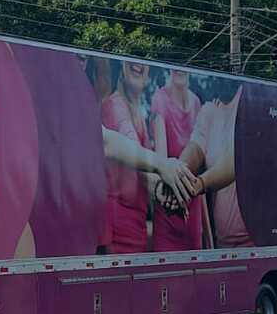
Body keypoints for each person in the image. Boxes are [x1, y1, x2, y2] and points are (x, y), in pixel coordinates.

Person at [99, 61, 199, 253]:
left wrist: (160, 189)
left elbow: (140, 171)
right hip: (118, 237)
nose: (138, 63)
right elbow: (127, 144)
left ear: (148, 75)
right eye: (130, 58)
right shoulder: (115, 105)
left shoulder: (138, 113)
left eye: (144, 60)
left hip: (136, 232)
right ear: (120, 67)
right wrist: (164, 166)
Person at [177, 85, 253, 248]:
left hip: (255, 242)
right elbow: (196, 148)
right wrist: (178, 175)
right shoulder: (210, 111)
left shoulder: (250, 102)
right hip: (223, 243)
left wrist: (198, 185)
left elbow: (239, 157)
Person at [150, 69, 205, 251]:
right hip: (168, 209)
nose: (181, 69)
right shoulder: (160, 99)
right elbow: (161, 161)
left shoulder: (196, 103)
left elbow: (200, 167)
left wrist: (208, 235)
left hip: (193, 215)